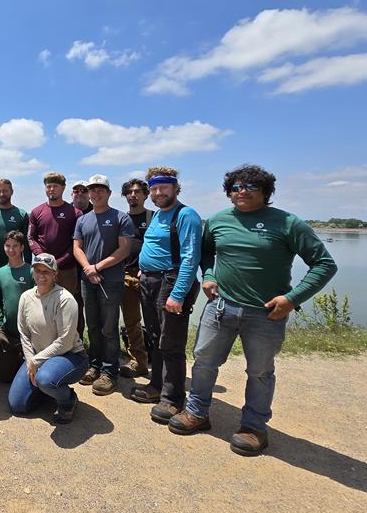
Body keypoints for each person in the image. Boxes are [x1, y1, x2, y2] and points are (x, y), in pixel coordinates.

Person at [168, 165, 337, 456]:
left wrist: (292, 298)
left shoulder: (287, 223)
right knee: (203, 361)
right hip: (220, 307)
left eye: (250, 187)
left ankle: (254, 427)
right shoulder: (219, 220)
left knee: (259, 371)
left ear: (266, 191)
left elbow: (324, 264)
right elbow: (206, 252)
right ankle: (197, 412)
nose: (241, 192)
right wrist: (208, 276)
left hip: (266, 313)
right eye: (235, 187)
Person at [132, 167, 202, 426]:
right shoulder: (159, 215)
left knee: (170, 341)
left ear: (175, 188)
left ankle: (172, 399)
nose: (158, 193)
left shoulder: (186, 215)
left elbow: (190, 257)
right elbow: (156, 246)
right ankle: (157, 386)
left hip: (170, 281)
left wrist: (179, 294)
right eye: (153, 188)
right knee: (154, 336)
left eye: (163, 188)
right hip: (149, 279)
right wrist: (143, 267)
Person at [73, 174, 135, 395]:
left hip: (111, 281)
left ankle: (110, 372)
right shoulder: (82, 220)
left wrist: (97, 267)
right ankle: (94, 365)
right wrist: (88, 269)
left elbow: (124, 249)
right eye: (93, 190)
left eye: (101, 189)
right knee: (93, 326)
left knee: (109, 328)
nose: (96, 193)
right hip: (87, 280)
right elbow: (77, 248)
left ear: (108, 193)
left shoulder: (120, 217)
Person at [8, 253, 89, 424]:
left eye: (46, 271)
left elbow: (65, 342)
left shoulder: (65, 299)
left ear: (55, 274)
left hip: (70, 355)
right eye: (38, 270)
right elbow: (24, 333)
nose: (41, 275)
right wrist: (31, 361)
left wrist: (36, 361)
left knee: (45, 379)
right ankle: (47, 390)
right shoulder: (26, 297)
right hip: (38, 357)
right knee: (17, 405)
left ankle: (67, 399)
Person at [28, 172, 84, 336]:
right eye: (48, 186)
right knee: (43, 309)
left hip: (66, 269)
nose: (51, 189)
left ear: (63, 188)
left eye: (55, 186)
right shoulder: (36, 211)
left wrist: (56, 263)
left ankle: (74, 347)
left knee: (68, 310)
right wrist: (43, 260)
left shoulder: (75, 213)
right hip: (42, 270)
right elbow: (31, 238)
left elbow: (76, 242)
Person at [118, 178, 153, 378]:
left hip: (149, 275)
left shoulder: (153, 217)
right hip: (124, 275)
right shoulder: (121, 219)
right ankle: (139, 362)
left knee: (155, 321)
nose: (133, 195)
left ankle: (159, 360)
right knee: (132, 321)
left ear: (145, 195)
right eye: (129, 192)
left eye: (138, 191)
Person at [0, 231, 34, 383]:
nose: (11, 250)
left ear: (22, 247)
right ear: (4, 247)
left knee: (31, 376)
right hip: (8, 332)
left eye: (15, 246)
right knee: (5, 378)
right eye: (8, 246)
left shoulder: (31, 271)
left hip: (29, 333)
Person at [0, 179, 30, 283]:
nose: (2, 194)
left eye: (5, 191)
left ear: (12, 192)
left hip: (15, 267)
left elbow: (26, 243)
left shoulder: (21, 214)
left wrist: (28, 266)